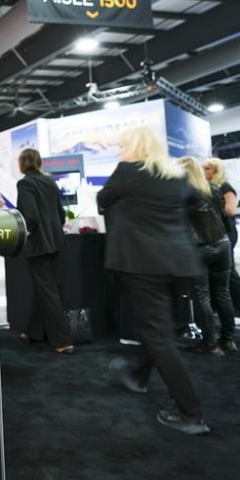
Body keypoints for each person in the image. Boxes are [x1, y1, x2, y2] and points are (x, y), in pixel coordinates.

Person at [99, 126, 209, 436]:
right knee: (157, 327)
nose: (121, 150)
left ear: (134, 146)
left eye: (123, 145)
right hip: (180, 263)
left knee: (158, 335)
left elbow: (103, 199)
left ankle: (190, 412)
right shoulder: (177, 175)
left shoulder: (128, 171)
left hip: (143, 263)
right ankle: (137, 375)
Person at [14, 149, 74, 354]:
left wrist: (22, 232)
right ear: (39, 162)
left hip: (38, 245)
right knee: (46, 288)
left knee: (47, 291)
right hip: (57, 243)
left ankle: (62, 340)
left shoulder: (25, 183)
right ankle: (33, 332)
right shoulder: (50, 182)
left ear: (22, 164)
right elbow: (61, 214)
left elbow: (29, 216)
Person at [179, 157, 237, 354]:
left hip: (198, 248)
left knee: (202, 295)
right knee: (222, 292)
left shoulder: (182, 194)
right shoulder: (213, 189)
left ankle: (210, 343)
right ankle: (228, 339)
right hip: (222, 243)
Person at [203, 157, 240, 322]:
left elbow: (231, 210)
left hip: (226, 232)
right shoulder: (207, 187)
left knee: (230, 271)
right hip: (214, 233)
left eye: (208, 168)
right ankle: (223, 308)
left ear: (216, 171)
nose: (204, 171)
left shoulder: (225, 187)